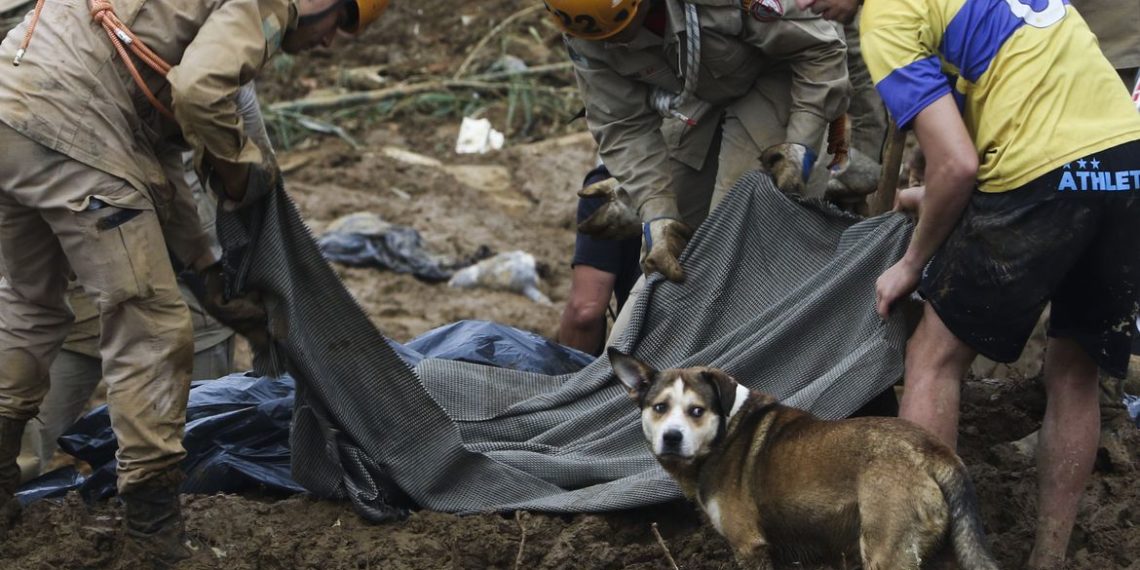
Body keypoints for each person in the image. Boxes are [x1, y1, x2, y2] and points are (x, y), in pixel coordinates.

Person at [0, 0, 388, 563]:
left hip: (12, 109)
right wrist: (238, 173)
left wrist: (206, 272)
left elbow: (154, 158)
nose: (332, 41)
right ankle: (153, 533)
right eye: (340, 23)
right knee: (153, 327)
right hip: (73, 126)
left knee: (30, 308)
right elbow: (201, 93)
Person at [796, 0, 1140, 567]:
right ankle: (1047, 560)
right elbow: (1011, 103)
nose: (802, 5)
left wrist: (911, 261)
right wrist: (925, 194)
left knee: (932, 357)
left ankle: (920, 556)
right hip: (1126, 165)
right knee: (1073, 372)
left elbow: (958, 166)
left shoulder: (883, 17)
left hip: (1042, 174)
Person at [544, 0, 850, 283]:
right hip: (696, 95)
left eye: (626, 30)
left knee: (735, 235)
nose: (620, 44)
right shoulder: (585, 31)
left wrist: (800, 145)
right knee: (665, 257)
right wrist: (657, 213)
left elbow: (820, 49)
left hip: (780, 76)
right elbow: (623, 125)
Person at [558, 164, 641, 355]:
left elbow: (585, 310)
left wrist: (572, 380)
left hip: (647, 364)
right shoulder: (721, 186)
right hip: (718, 353)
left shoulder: (609, 186)